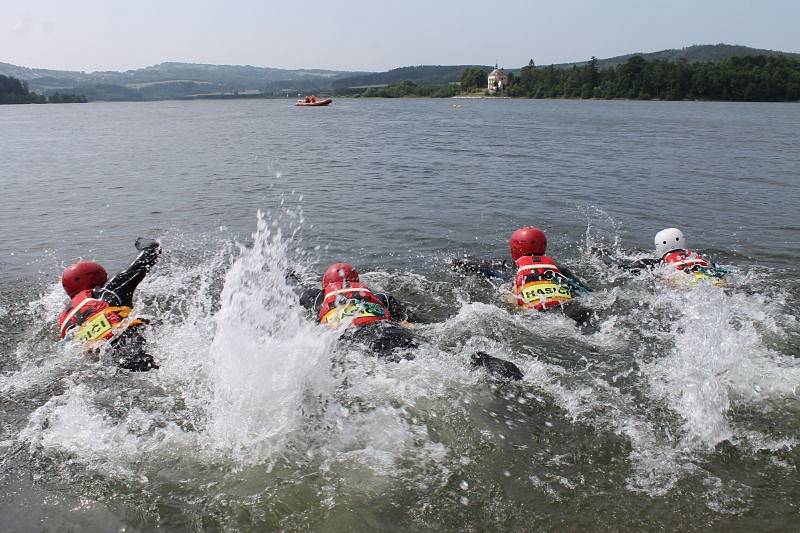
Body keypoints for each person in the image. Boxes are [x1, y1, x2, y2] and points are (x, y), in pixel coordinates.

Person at [296, 262, 523, 379]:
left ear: (326, 285)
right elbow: (413, 322)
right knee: (426, 359)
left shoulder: (316, 297)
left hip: (353, 339)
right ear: (359, 282)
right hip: (391, 331)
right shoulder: (381, 297)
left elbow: (293, 294)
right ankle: (478, 362)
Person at [451, 227, 593, 324]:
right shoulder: (558, 269)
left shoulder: (509, 268)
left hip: (535, 316)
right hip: (572, 309)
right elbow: (587, 293)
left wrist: (455, 263)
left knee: (507, 298)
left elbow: (478, 266)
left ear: (515, 248)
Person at [58, 238, 161, 371]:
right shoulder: (107, 292)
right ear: (100, 279)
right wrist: (142, 242)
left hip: (100, 366)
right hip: (130, 348)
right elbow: (151, 252)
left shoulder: (64, 322)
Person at [594, 227, 726, 283]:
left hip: (684, 283)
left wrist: (600, 255)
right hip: (712, 279)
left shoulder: (657, 263)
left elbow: (622, 267)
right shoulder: (697, 257)